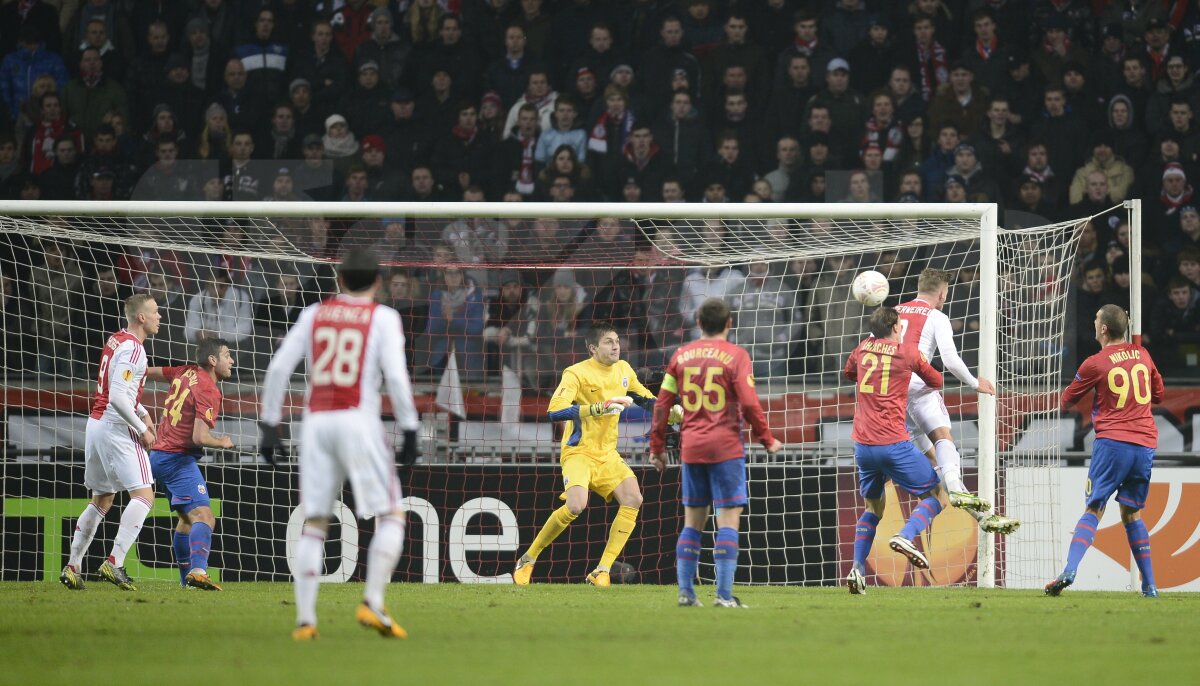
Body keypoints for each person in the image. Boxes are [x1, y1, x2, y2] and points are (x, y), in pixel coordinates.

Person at [259, 249, 419, 641]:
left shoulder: (314, 313)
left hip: (314, 424)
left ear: (339, 280)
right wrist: (411, 427)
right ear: (378, 282)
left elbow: (279, 367)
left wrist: (268, 425)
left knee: (315, 522)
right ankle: (373, 602)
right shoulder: (383, 317)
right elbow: (396, 378)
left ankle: (305, 621)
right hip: (357, 422)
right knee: (392, 515)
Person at [649, 298, 781, 608]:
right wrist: (766, 438)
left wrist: (657, 447)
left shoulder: (681, 355)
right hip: (725, 448)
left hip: (691, 447)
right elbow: (749, 403)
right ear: (729, 323)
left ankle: (686, 593)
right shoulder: (736, 356)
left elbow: (662, 404)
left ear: (698, 323)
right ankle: (723, 596)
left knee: (692, 523)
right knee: (728, 521)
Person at [512, 321, 656, 587]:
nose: (616, 346)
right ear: (593, 348)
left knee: (633, 498)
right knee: (576, 506)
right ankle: (528, 559)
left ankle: (601, 571)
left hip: (607, 453)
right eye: (608, 342)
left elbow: (645, 399)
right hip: (579, 452)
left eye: (617, 341)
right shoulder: (576, 373)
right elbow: (554, 411)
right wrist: (595, 409)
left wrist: (671, 411)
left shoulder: (624, 370)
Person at [1047, 305, 1165, 598]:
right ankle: (1149, 585)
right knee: (1132, 513)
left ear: (1103, 329)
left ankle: (1070, 570)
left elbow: (1067, 400)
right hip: (1145, 445)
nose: (1094, 322)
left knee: (1094, 508)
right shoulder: (1144, 355)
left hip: (1113, 444)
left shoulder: (1096, 363)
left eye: (1096, 319)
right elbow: (1159, 395)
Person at [896, 268, 1020, 534]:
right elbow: (950, 360)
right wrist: (976, 383)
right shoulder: (936, 316)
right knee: (944, 440)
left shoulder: (894, 311)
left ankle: (983, 517)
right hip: (919, 388)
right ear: (942, 293)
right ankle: (955, 488)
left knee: (938, 459)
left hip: (893, 393)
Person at [842, 306, 950, 594]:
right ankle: (906, 535)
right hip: (893, 443)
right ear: (895, 328)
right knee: (938, 494)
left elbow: (849, 372)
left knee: (872, 508)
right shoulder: (908, 353)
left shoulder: (862, 347)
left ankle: (856, 568)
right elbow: (937, 381)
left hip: (863, 446)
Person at [60, 294, 161, 592]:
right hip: (117, 428)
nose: (160, 316)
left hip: (96, 424)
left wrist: (143, 410)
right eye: (155, 311)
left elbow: (114, 390)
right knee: (144, 496)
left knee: (102, 499)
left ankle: (72, 566)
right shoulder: (134, 350)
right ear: (140, 317)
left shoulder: (116, 340)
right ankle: (114, 561)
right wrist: (142, 427)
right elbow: (118, 396)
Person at [144, 338, 235, 591]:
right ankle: (198, 571)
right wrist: (223, 442)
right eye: (227, 355)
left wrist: (127, 373)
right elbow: (199, 437)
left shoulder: (185, 371)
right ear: (212, 360)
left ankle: (187, 582)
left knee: (186, 519)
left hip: (159, 457)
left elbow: (149, 372)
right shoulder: (208, 389)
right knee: (205, 517)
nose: (232, 361)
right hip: (176, 458)